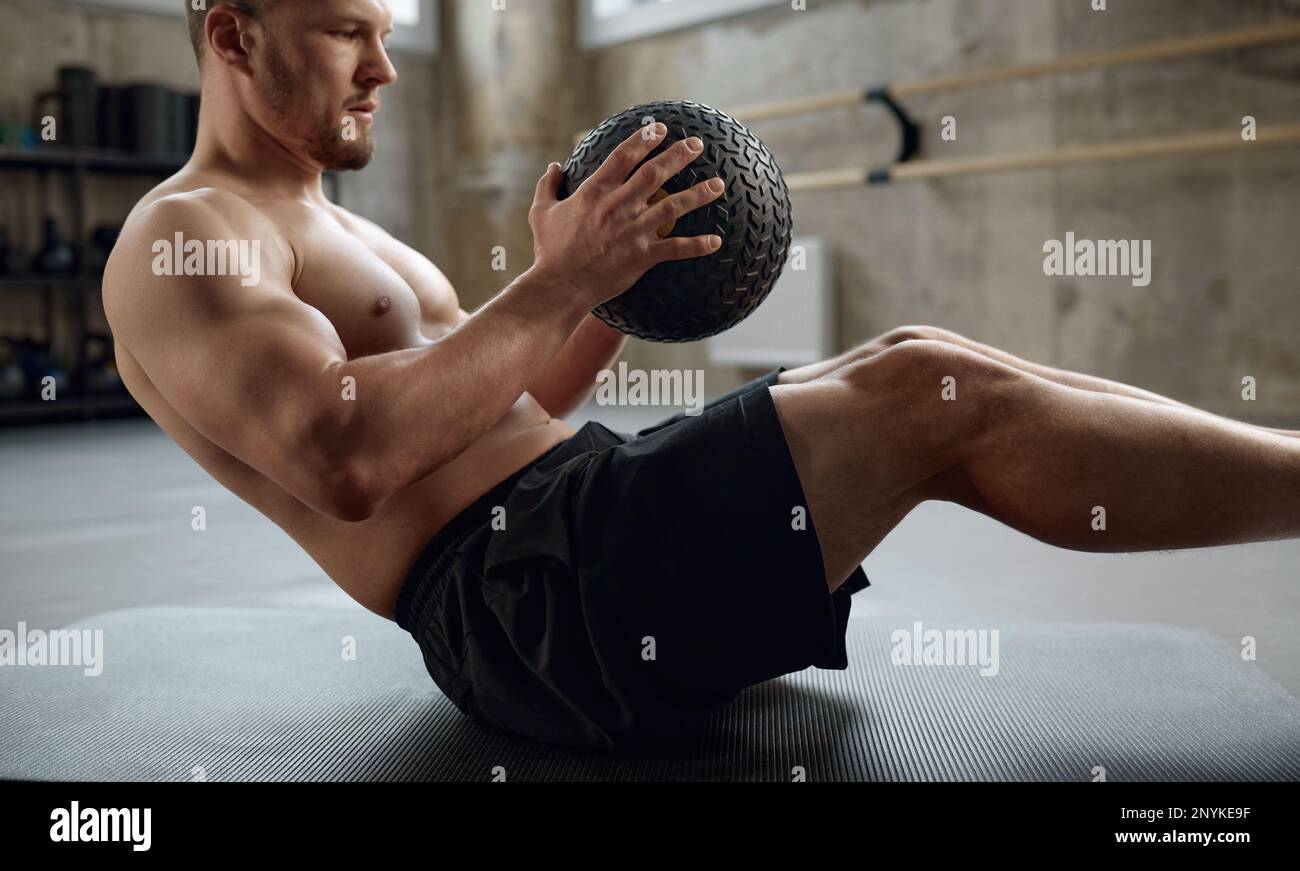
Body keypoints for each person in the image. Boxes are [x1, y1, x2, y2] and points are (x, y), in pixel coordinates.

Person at [104, 0, 1300, 750]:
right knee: (932, 388)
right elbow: (347, 456)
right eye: (346, 32)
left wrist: (616, 282)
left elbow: (513, 408)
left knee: (921, 366)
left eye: (385, 31)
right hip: (534, 608)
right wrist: (556, 284)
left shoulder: (341, 228)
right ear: (231, 32)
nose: (384, 67)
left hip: (586, 514)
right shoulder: (183, 236)